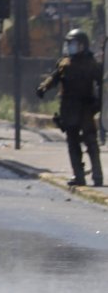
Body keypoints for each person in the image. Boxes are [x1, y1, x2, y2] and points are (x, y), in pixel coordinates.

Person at [37, 28, 103, 187]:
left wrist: (99, 103)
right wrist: (43, 88)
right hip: (69, 109)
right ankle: (78, 176)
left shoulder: (91, 64)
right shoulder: (64, 63)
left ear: (83, 45)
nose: (71, 47)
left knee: (91, 143)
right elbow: (54, 78)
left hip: (86, 108)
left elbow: (101, 83)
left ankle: (97, 176)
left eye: (74, 44)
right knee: (73, 144)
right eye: (69, 44)